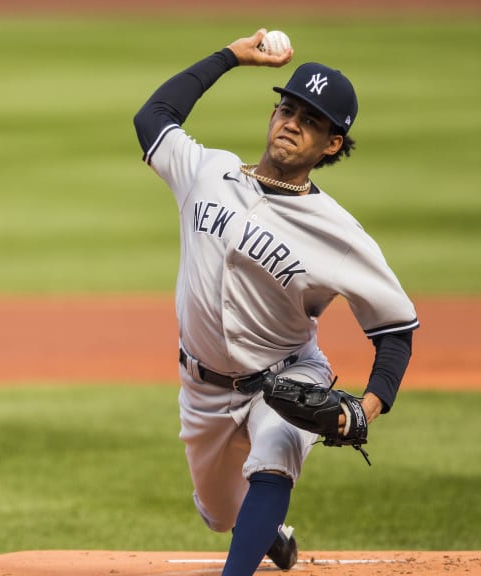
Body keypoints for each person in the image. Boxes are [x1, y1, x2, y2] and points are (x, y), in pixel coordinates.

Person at [132, 29, 419, 574]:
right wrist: (232, 57)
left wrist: (369, 405)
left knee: (275, 454)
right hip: (203, 387)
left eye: (310, 121)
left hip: (286, 381)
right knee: (219, 514)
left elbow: (395, 327)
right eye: (287, 109)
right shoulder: (207, 173)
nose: (291, 123)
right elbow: (153, 118)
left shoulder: (341, 234)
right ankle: (267, 534)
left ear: (332, 144)